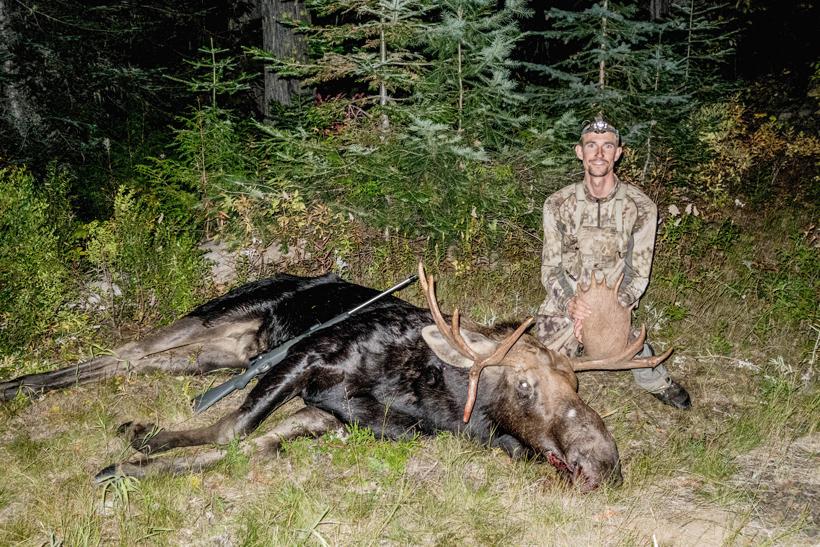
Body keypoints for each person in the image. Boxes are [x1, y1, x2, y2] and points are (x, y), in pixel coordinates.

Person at [535, 115, 691, 409]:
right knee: (542, 368)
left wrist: (611, 309)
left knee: (615, 346)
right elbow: (550, 268)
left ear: (618, 153)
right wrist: (572, 304)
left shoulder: (641, 207)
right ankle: (577, 344)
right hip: (569, 297)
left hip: (614, 299)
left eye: (607, 146)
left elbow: (639, 273)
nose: (599, 153)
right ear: (579, 152)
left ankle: (651, 375)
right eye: (591, 145)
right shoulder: (557, 203)